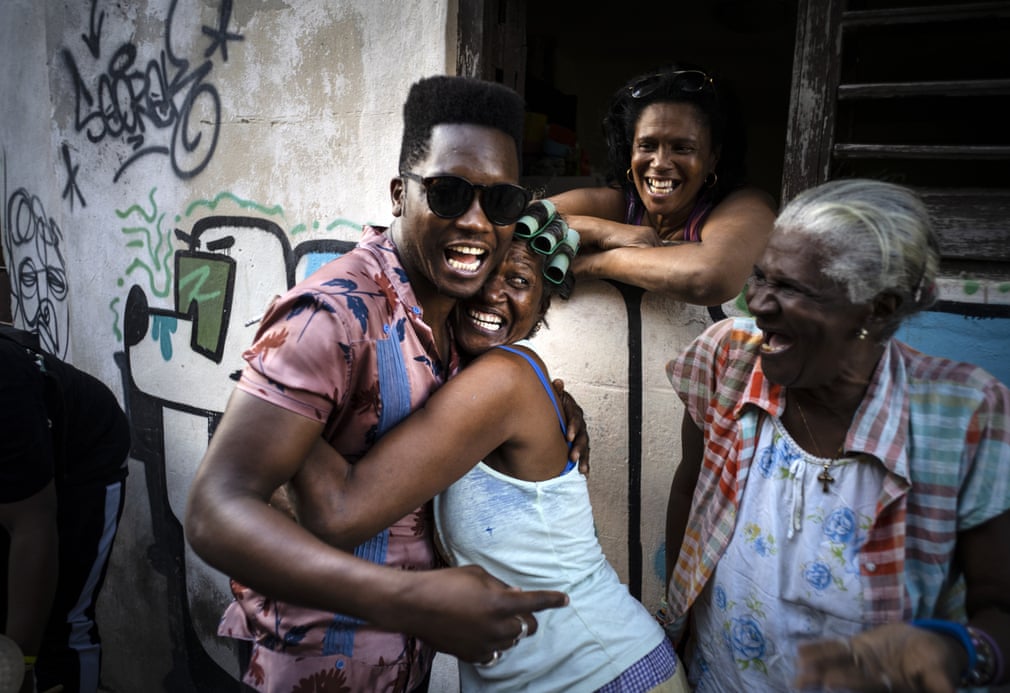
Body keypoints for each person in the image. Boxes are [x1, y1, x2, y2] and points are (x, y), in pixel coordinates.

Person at [184, 75, 580, 692]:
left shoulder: (452, 312)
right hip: (315, 669)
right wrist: (406, 600)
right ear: (401, 194)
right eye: (449, 193)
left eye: (500, 202)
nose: (477, 222)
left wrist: (551, 399)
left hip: (405, 667)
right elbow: (215, 509)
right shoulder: (333, 317)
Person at [287, 205, 689, 692]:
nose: (493, 293)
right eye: (484, 272)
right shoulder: (451, 376)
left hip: (603, 672)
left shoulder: (504, 381)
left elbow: (339, 510)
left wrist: (282, 379)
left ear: (541, 309)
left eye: (518, 281)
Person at [663, 178, 1010, 692]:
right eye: (760, 276)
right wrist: (673, 623)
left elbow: (1000, 606)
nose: (756, 303)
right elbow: (690, 490)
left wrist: (955, 650)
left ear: (879, 308)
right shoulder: (728, 358)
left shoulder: (964, 414)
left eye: (792, 288)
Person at [548, 62, 775, 313]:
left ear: (713, 158)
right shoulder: (622, 204)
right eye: (647, 146)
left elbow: (710, 276)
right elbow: (518, 223)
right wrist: (605, 231)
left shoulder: (746, 204)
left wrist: (595, 264)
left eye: (682, 148)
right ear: (630, 153)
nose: (659, 163)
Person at [0, 324, 130, 693]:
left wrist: (21, 665)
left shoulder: (5, 383)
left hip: (83, 456)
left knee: (60, 624)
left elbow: (32, 526)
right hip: (21, 469)